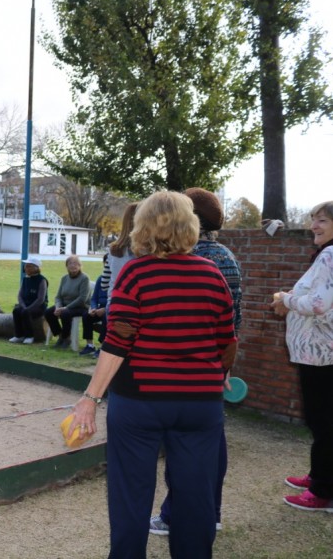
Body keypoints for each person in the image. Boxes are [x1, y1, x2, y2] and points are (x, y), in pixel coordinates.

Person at [66, 191, 237, 558]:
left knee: (131, 494)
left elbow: (117, 341)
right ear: (189, 226)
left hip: (140, 402)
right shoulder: (212, 275)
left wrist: (90, 399)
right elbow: (227, 340)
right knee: (196, 497)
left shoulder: (136, 274)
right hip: (200, 405)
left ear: (143, 227)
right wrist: (220, 373)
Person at [149, 187, 244, 536]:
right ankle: (211, 512)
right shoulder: (226, 256)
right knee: (210, 443)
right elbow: (232, 320)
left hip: (182, 373)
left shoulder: (191, 259)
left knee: (183, 450)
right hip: (214, 366)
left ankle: (175, 515)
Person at [271, 200, 333, 513]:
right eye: (313, 219)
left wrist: (286, 299)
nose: (313, 226)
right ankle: (321, 476)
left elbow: (320, 304)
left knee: (323, 422)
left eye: (321, 220)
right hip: (322, 353)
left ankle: (323, 492)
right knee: (323, 420)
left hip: (321, 355)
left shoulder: (331, 255)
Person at [44, 255, 90, 349]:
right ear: (66, 266)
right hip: (64, 305)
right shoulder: (64, 278)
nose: (73, 265)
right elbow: (58, 296)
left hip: (80, 306)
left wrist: (65, 308)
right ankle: (61, 335)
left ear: (80, 265)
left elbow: (82, 299)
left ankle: (67, 338)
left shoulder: (84, 278)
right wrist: (58, 307)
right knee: (48, 312)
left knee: (65, 313)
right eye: (70, 263)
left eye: (75, 263)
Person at [9, 256, 49, 344]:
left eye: (29, 266)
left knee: (25, 313)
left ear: (36, 268)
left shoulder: (42, 280)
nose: (26, 268)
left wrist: (28, 308)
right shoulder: (25, 279)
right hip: (26, 305)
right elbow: (20, 295)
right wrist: (23, 306)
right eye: (26, 265)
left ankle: (29, 336)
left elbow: (40, 299)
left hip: (39, 307)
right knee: (16, 311)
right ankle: (19, 335)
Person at [106, 202, 138, 311]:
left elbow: (104, 283)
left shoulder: (112, 249)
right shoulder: (142, 252)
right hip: (132, 307)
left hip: (113, 303)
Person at [79, 254, 109, 357]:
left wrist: (105, 309)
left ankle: (103, 347)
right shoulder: (101, 279)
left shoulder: (117, 279)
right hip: (99, 307)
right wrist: (93, 308)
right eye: (106, 263)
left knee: (106, 317)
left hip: (110, 309)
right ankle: (90, 345)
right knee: (86, 315)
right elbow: (94, 298)